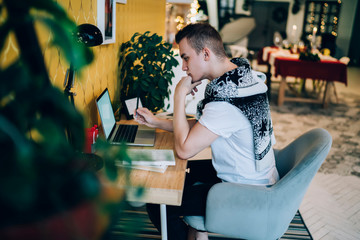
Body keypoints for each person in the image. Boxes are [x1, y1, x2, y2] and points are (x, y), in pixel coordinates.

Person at [134, 23, 279, 240]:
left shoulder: (227, 100)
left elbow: (184, 149)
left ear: (205, 53)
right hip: (258, 177)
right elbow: (205, 128)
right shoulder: (243, 79)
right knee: (178, 173)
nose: (184, 67)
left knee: (158, 200)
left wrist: (179, 96)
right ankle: (198, 232)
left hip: (245, 192)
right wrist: (157, 122)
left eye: (185, 58)